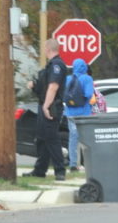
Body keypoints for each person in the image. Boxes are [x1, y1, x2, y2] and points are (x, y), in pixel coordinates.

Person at [24, 38, 68, 180]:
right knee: (42, 138)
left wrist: (46, 106)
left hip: (51, 106)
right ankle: (39, 170)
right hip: (45, 104)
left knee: (51, 138)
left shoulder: (57, 65)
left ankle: (60, 171)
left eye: (44, 47)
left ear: (48, 48)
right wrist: (34, 85)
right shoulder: (49, 66)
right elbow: (44, 87)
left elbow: (53, 87)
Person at [64, 58, 95, 172]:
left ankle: (73, 164)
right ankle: (88, 163)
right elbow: (88, 94)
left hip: (70, 113)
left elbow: (63, 94)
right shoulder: (87, 79)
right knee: (86, 138)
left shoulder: (67, 79)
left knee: (73, 138)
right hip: (84, 113)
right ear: (84, 67)